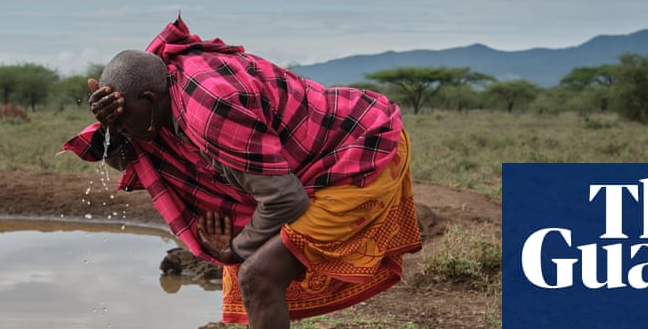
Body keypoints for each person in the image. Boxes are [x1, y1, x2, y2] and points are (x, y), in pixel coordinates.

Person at [62, 17, 422, 328]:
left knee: (256, 275)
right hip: (320, 162)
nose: (127, 134)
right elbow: (127, 157)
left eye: (126, 123)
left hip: (358, 152)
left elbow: (286, 200)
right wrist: (108, 125)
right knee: (253, 270)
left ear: (150, 102)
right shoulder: (168, 84)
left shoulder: (209, 109)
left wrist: (234, 249)